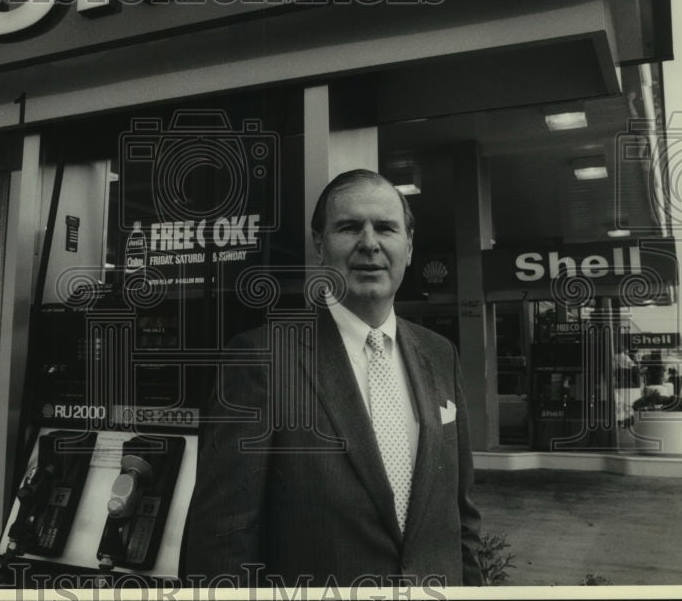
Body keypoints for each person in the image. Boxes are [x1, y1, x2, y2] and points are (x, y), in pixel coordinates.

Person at [184, 169, 483, 587]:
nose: (369, 243)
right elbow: (221, 540)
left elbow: (461, 516)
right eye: (349, 227)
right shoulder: (261, 360)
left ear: (409, 246)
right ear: (320, 246)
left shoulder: (440, 354)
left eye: (385, 228)